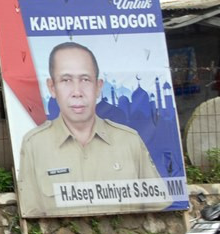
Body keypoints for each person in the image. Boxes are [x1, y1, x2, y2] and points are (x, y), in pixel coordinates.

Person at [18, 42, 166, 217]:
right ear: (52, 87)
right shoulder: (35, 145)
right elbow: (31, 213)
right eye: (66, 80)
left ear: (98, 87)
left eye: (85, 80)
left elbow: (158, 206)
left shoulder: (129, 141)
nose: (77, 92)